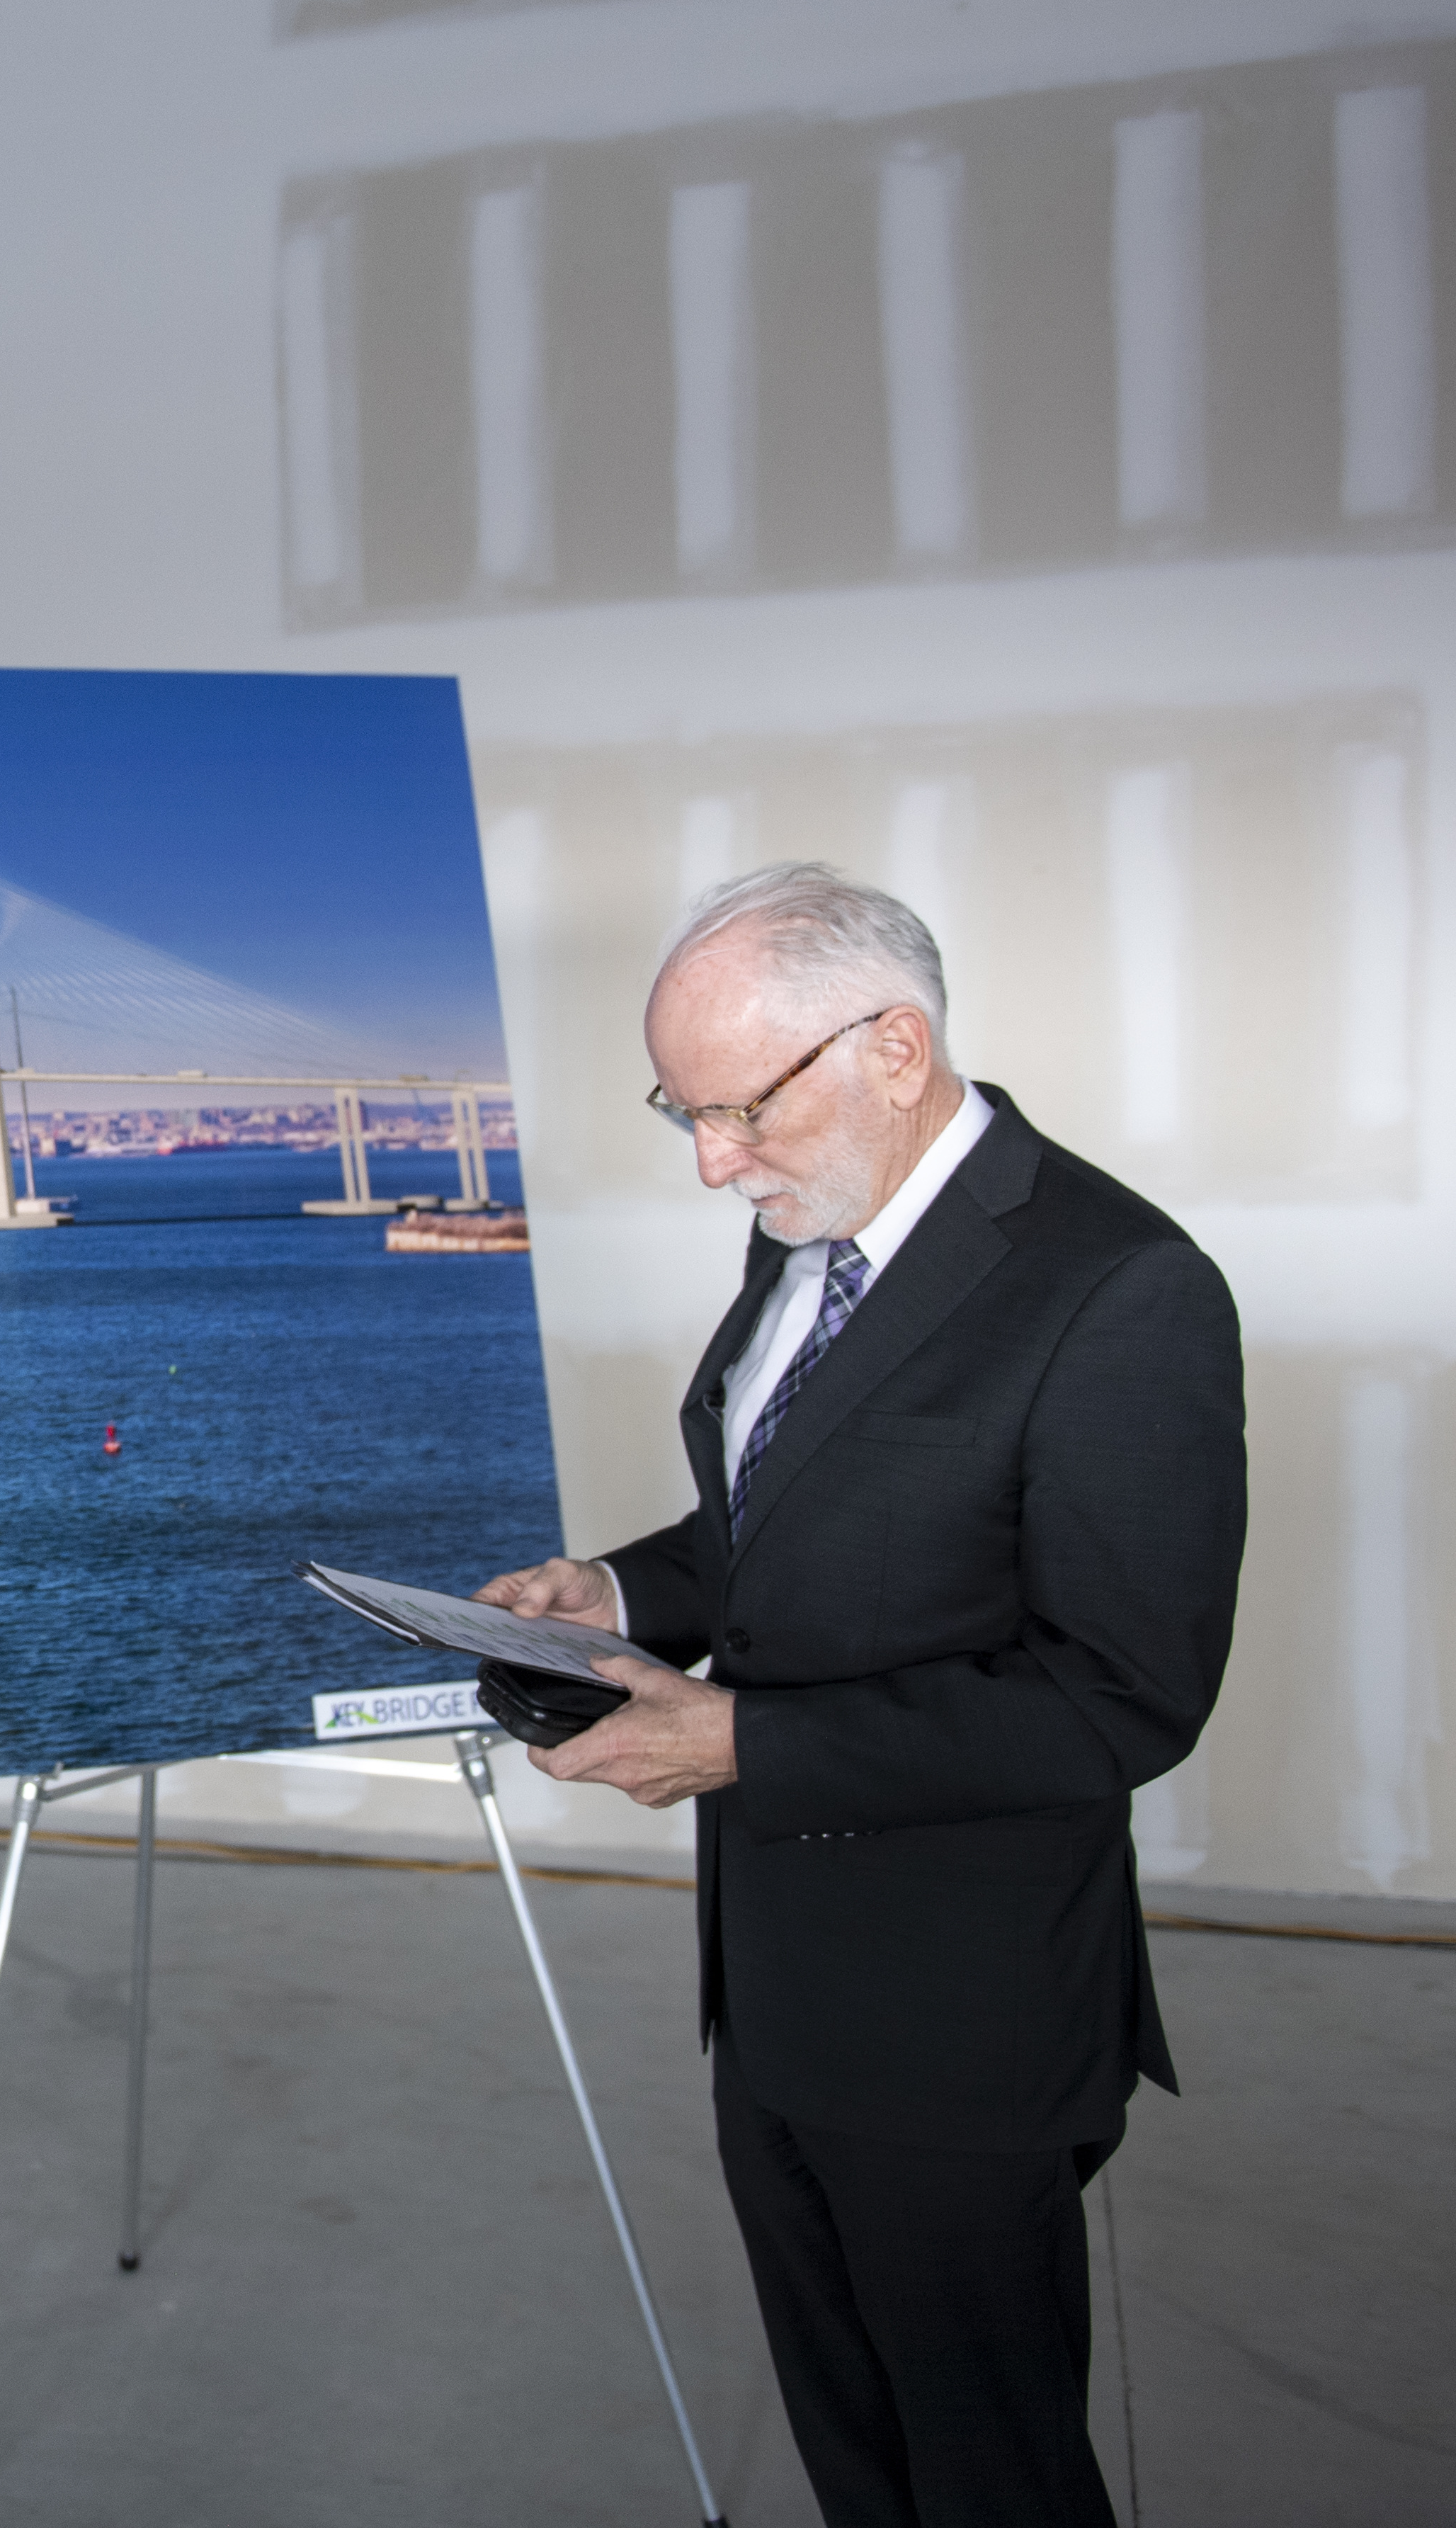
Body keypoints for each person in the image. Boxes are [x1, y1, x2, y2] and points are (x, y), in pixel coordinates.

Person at [478, 863, 1243, 2528]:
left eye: (737, 1108)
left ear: (891, 1048)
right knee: (855, 2456)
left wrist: (741, 1738)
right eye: (679, 1112)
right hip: (773, 1993)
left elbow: (1121, 1697)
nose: (708, 1160)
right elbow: (774, 1526)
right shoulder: (811, 1218)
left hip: (960, 2026)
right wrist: (612, 1593)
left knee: (987, 2477)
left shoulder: (1119, 1291)